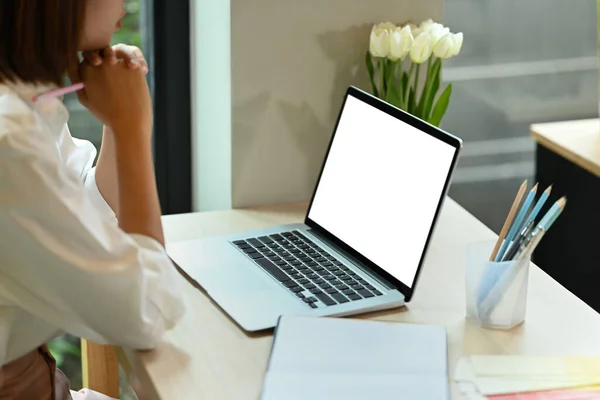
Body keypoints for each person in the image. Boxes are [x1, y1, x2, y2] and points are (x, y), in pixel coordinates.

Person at [0, 1, 186, 399]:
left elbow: (82, 206)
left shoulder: (25, 102)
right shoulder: (9, 144)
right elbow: (147, 311)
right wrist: (132, 127)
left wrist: (116, 123)